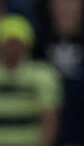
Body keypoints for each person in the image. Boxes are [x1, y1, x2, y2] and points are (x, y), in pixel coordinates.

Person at [0, 14, 62, 146]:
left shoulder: (43, 75)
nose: (12, 48)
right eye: (8, 42)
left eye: (17, 43)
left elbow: (50, 120)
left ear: (27, 44)